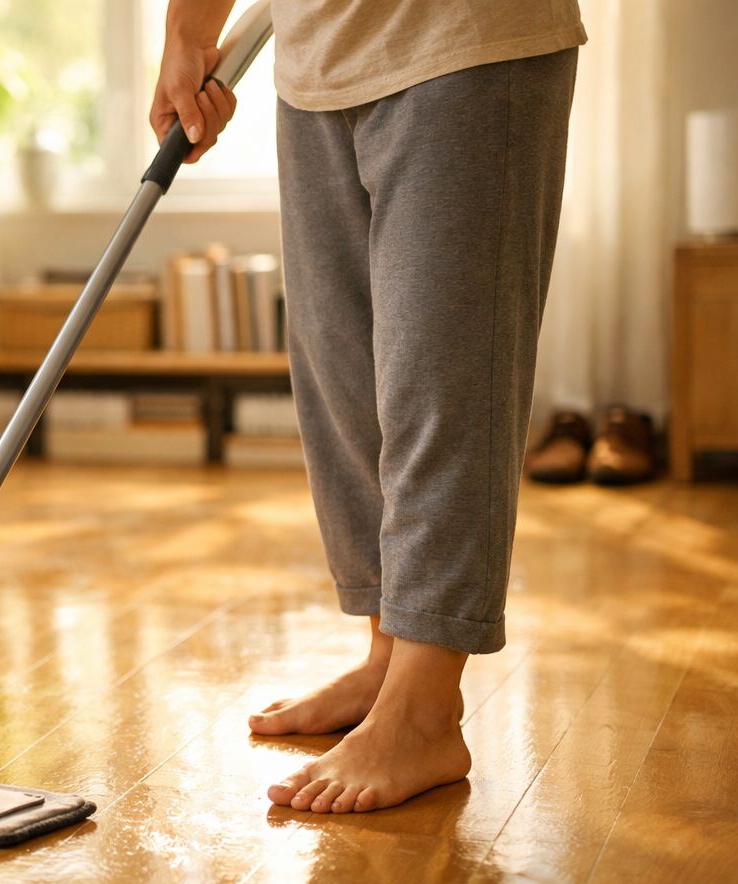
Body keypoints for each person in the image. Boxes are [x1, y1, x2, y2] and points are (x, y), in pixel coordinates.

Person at [151, 0, 584, 812]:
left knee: (443, 378)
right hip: (316, 57)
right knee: (344, 380)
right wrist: (187, 33)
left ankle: (425, 709)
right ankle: (389, 659)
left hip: (461, 37)